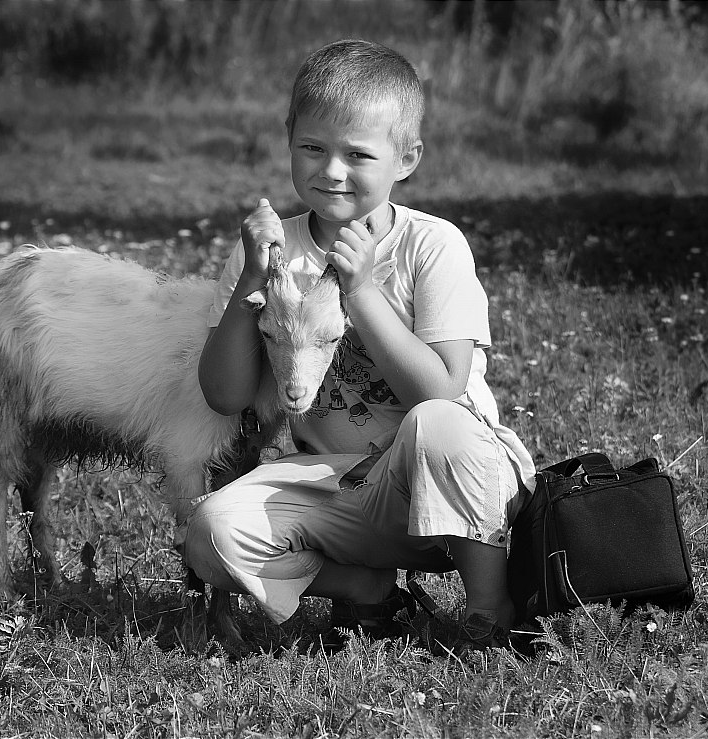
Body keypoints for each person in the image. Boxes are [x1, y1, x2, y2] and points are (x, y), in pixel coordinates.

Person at [183, 39, 536, 650]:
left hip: (456, 484)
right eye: (313, 148)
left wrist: (364, 292)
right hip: (341, 485)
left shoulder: (433, 246)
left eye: (358, 154)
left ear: (406, 159)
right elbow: (224, 393)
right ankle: (367, 590)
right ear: (288, 138)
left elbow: (442, 391)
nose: (332, 170)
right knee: (211, 531)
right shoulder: (271, 253)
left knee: (437, 425)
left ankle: (487, 605)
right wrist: (248, 280)